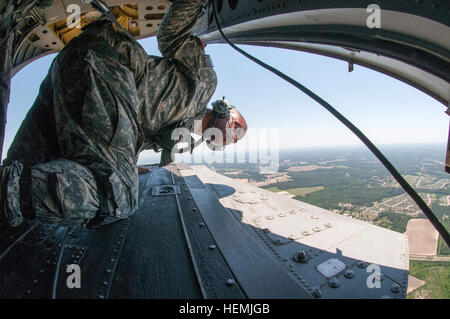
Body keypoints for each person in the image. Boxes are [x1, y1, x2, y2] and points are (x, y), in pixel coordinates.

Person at [0, 0, 246, 229]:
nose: (233, 138)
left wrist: (125, 161)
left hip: (78, 69)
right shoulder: (206, 82)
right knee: (117, 197)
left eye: (235, 141)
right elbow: (172, 34)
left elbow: (131, 124)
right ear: (226, 109)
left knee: (25, 164)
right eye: (237, 128)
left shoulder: (182, 138)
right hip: (108, 65)